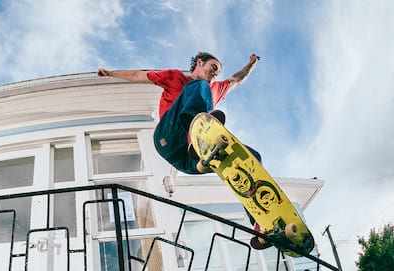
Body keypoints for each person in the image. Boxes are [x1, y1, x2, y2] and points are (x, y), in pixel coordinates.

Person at [97, 52, 270, 248]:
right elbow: (139, 75)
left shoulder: (215, 89)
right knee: (198, 87)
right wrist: (111, 73)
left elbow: (236, 80)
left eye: (218, 72)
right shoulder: (174, 77)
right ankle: (197, 136)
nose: (215, 74)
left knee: (250, 158)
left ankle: (261, 223)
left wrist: (251, 64)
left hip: (190, 161)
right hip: (169, 139)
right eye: (213, 68)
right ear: (199, 63)